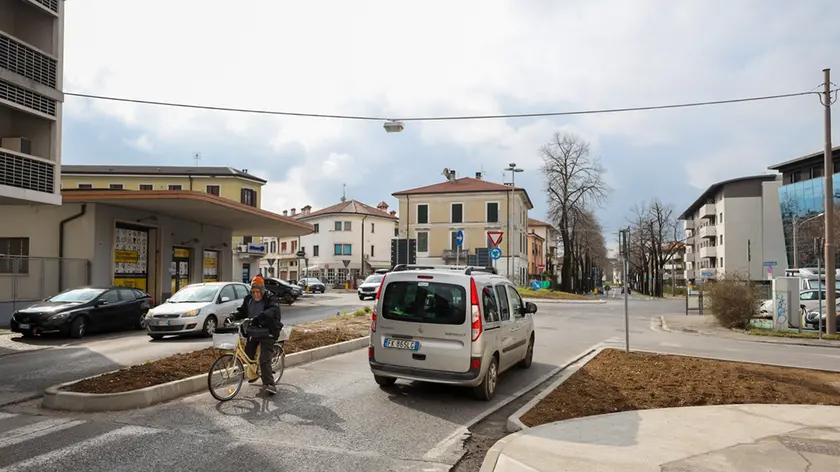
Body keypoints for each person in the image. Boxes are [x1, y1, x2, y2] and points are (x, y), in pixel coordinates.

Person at [232, 274, 282, 395]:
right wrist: (234, 315)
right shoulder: (248, 299)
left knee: (264, 359)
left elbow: (272, 310)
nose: (255, 294)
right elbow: (242, 310)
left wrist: (259, 318)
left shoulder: (270, 298)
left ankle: (269, 384)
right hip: (254, 331)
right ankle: (254, 373)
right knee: (248, 352)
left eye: (257, 291)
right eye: (253, 291)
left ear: (262, 290)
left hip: (268, 331)